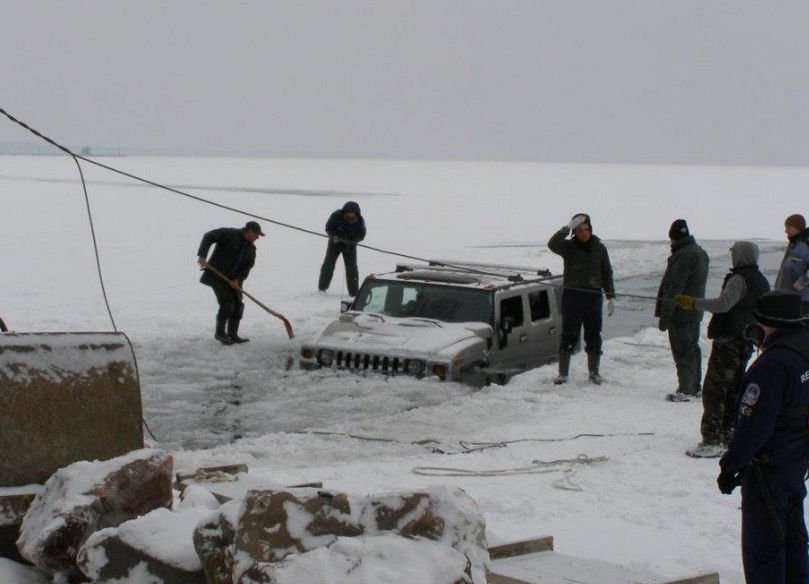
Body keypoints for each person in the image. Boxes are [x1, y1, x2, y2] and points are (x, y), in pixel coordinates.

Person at [717, 290, 809, 584]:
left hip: (768, 469)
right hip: (795, 463)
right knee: (794, 542)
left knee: (764, 551)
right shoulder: (804, 351)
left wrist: (731, 465)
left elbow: (755, 424)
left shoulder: (773, 364)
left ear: (768, 322)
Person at [674, 241, 770, 458]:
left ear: (741, 256)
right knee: (734, 389)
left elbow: (723, 304)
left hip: (730, 341)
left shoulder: (739, 279)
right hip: (746, 340)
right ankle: (728, 434)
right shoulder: (761, 280)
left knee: (715, 390)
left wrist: (692, 303)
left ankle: (712, 440)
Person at [547, 213, 615, 385]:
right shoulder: (568, 247)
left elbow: (607, 273)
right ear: (574, 232)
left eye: (586, 230)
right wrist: (567, 227)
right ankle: (563, 374)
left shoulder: (600, 248)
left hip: (593, 297)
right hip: (572, 296)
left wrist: (611, 296)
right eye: (579, 230)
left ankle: (594, 372)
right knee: (569, 335)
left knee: (593, 335)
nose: (584, 233)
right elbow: (552, 244)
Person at [655, 219, 709, 402]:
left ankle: (686, 389)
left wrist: (666, 315)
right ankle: (694, 386)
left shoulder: (684, 255)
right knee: (692, 348)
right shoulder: (700, 252)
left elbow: (674, 287)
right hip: (694, 310)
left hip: (680, 313)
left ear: (674, 238)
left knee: (682, 350)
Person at [197, 221, 264, 345]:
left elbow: (247, 267)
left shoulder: (251, 249)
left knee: (238, 305)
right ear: (249, 231)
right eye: (256, 235)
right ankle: (220, 334)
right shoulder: (229, 234)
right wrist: (202, 255)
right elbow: (209, 236)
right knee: (227, 304)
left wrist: (238, 279)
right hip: (216, 276)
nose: (257, 238)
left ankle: (233, 335)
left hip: (234, 280)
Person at [318, 201, 366, 296]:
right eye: (348, 212)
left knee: (352, 268)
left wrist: (352, 241)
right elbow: (328, 227)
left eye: (352, 212)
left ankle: (354, 293)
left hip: (350, 246)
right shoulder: (336, 215)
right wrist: (333, 236)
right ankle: (322, 287)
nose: (349, 214)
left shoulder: (360, 221)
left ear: (356, 213)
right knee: (328, 264)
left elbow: (361, 235)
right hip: (335, 243)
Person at [775, 214, 809, 307]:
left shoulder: (805, 246)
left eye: (789, 228)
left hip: (800, 302)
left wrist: (802, 282)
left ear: (798, 228)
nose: (785, 231)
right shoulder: (793, 245)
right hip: (785, 298)